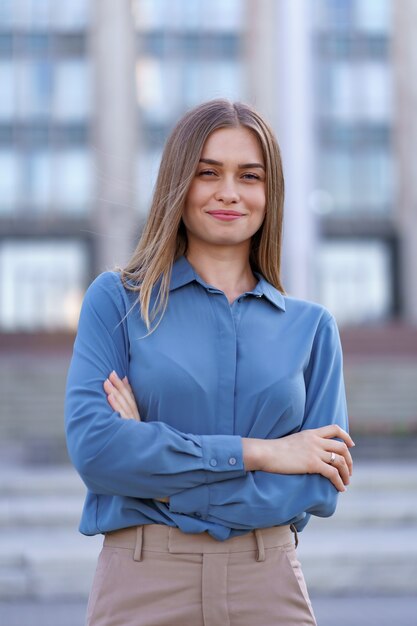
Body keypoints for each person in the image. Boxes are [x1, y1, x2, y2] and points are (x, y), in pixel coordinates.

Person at [65, 99, 353, 626]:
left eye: (249, 175)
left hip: (268, 583)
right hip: (143, 583)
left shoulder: (312, 328)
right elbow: (97, 449)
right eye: (208, 173)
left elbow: (319, 483)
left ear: (271, 193)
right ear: (179, 183)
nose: (229, 192)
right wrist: (266, 452)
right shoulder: (118, 302)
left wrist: (158, 475)